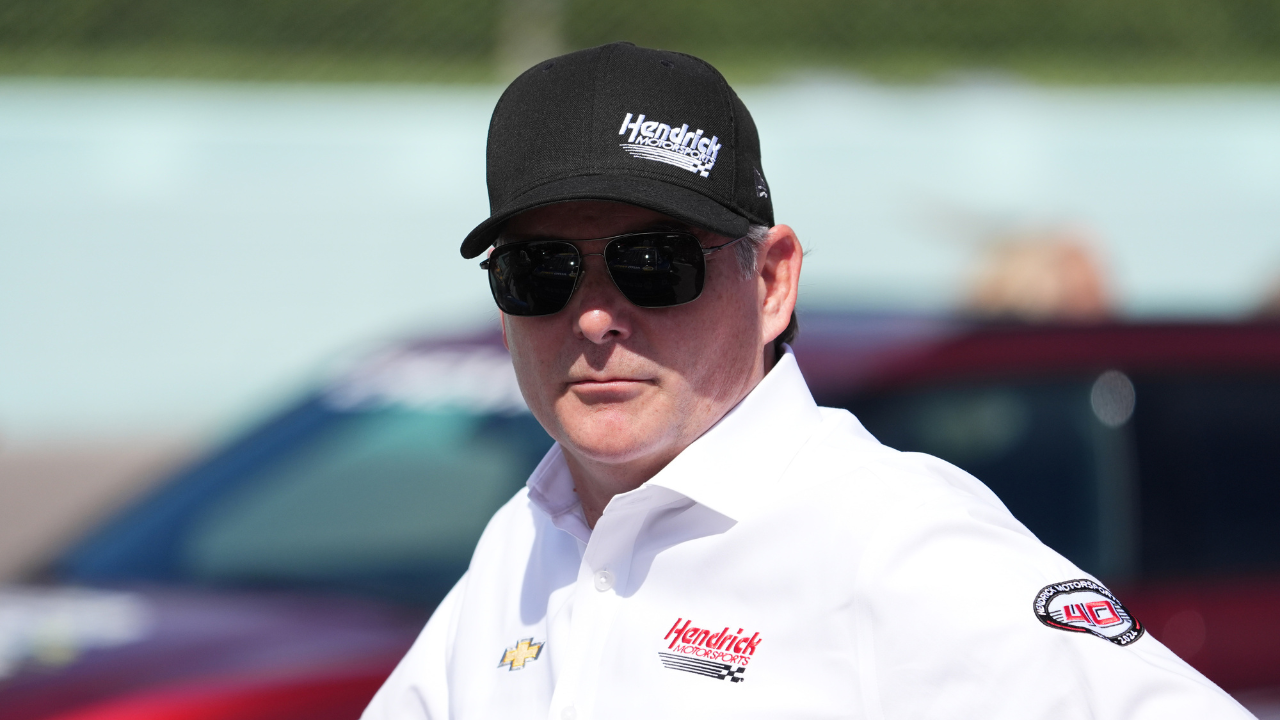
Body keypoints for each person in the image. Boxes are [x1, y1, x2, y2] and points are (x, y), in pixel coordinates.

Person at [363, 42, 1252, 720]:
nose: (594, 315)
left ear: (774, 281)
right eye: (541, 271)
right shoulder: (523, 541)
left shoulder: (895, 543)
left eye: (653, 264)